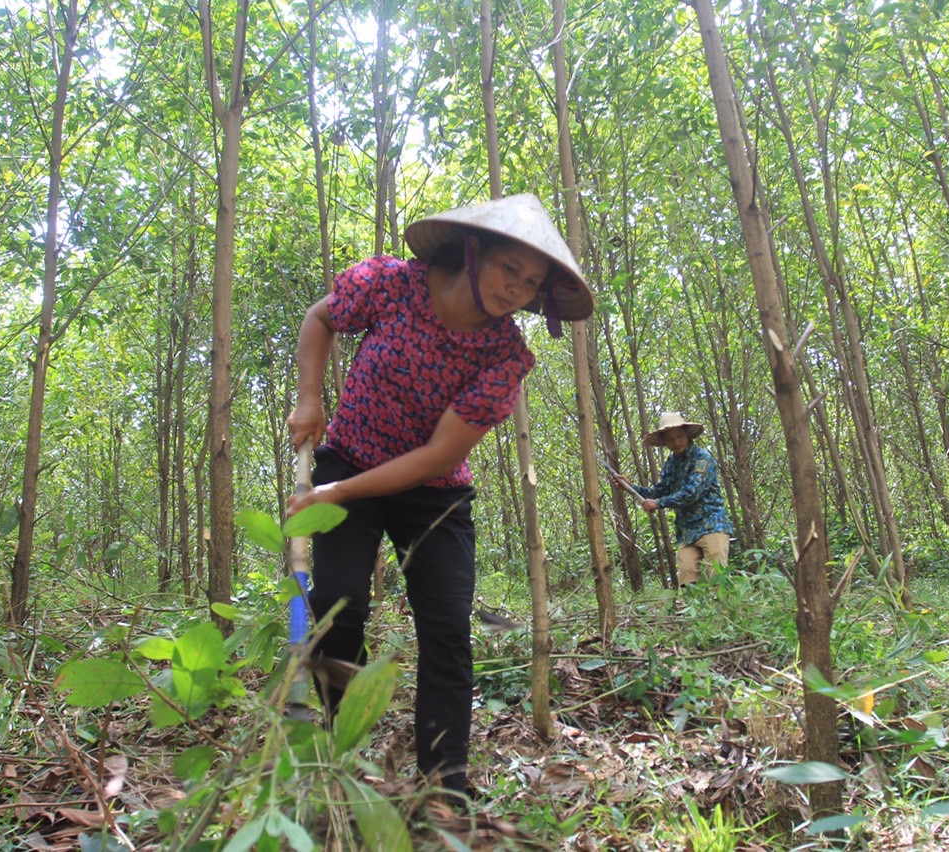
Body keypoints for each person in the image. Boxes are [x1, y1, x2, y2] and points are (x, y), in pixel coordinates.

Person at [285, 194, 592, 799]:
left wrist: (337, 491)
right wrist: (310, 396)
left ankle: (445, 782)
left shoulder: (504, 356)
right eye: (510, 270)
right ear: (473, 252)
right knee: (338, 600)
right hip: (349, 455)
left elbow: (439, 456)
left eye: (531, 283)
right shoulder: (392, 284)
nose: (517, 290)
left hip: (433, 494)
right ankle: (342, 748)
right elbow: (321, 318)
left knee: (448, 626)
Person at [613, 412, 733, 586]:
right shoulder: (671, 463)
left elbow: (691, 492)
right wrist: (631, 487)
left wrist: (658, 504)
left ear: (687, 435)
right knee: (687, 573)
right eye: (670, 439)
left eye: (680, 436)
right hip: (687, 531)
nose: (676, 442)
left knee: (717, 577)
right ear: (664, 442)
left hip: (712, 525)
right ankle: (692, 611)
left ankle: (721, 611)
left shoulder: (702, 459)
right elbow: (660, 491)